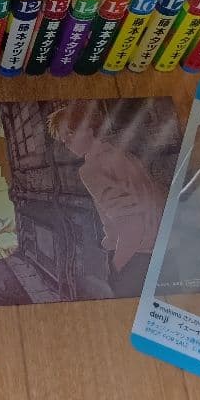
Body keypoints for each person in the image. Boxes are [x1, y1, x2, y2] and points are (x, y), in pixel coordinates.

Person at [46, 102, 166, 291]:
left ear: (89, 128)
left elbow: (131, 224)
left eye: (70, 133)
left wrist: (116, 270)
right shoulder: (121, 155)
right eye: (63, 138)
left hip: (133, 258)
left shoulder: (92, 169)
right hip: (158, 252)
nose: (66, 142)